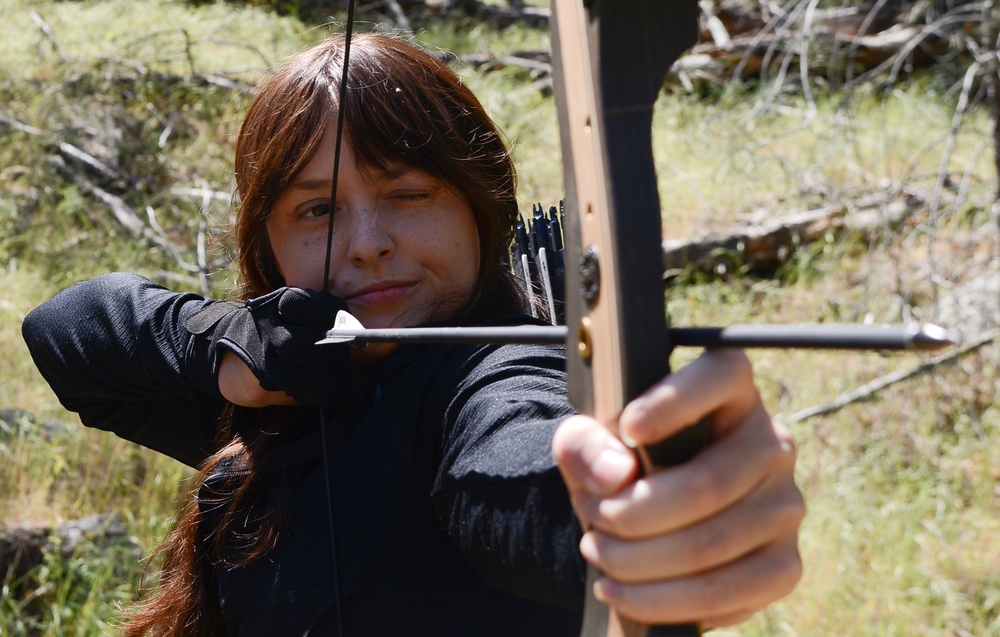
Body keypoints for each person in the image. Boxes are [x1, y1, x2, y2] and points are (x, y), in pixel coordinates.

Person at [22, 34, 804, 636]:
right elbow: (62, 334)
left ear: (477, 207)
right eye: (317, 210)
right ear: (268, 243)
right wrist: (226, 346)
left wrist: (639, 503)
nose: (367, 242)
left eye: (409, 192)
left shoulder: (492, 372)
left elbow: (520, 453)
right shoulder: (286, 398)